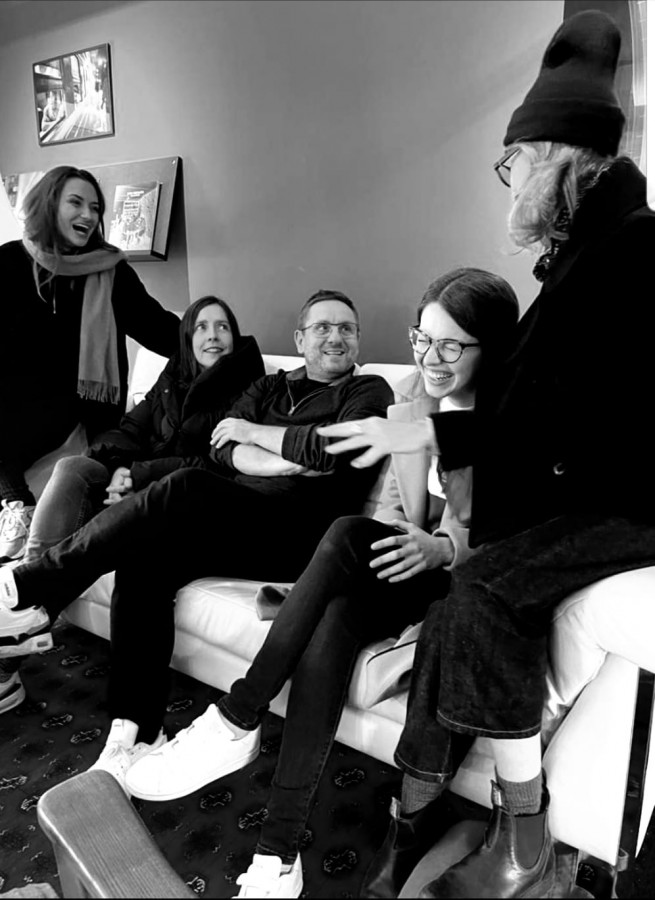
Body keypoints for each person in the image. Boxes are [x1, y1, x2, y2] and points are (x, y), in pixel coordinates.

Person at [318, 12, 655, 899]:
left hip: (633, 503)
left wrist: (429, 431)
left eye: (515, 163)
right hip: (593, 494)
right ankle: (416, 824)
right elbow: (530, 406)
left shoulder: (633, 249)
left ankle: (523, 841)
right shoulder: (583, 253)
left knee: (479, 589)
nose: (510, 183)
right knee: (455, 615)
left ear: (555, 157)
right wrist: (439, 426)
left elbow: (583, 417)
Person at [118, 267, 520, 899]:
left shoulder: (511, 417)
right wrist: (404, 534)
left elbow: (514, 532)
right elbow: (397, 508)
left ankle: (238, 716)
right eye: (422, 339)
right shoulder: (410, 398)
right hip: (400, 564)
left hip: (457, 579)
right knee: (333, 617)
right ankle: (278, 854)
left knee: (343, 532)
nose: (431, 358)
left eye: (450, 345)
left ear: (490, 348)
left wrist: (442, 546)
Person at [0, 289, 392, 782]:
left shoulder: (369, 390)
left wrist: (257, 435)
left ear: (357, 339)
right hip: (244, 517)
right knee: (145, 557)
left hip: (307, 536)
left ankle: (30, 587)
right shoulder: (270, 387)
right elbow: (223, 447)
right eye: (323, 328)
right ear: (300, 339)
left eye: (346, 328)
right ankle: (136, 731)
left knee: (186, 483)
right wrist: (287, 459)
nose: (336, 337)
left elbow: (330, 452)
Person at [0, 294, 264, 715]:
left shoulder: (252, 388)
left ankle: (18, 616)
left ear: (235, 337)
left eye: (222, 327)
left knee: (133, 524)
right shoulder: (172, 378)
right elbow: (128, 429)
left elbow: (215, 463)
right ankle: (23, 596)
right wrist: (119, 469)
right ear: (187, 337)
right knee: (73, 467)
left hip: (187, 499)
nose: (212, 335)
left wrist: (139, 475)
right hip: (138, 483)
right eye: (201, 327)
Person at [0, 166, 180, 562]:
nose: (88, 215)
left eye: (95, 207)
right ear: (49, 205)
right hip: (17, 420)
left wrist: (213, 341)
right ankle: (16, 505)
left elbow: (160, 330)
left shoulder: (111, 272)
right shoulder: (8, 264)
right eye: (76, 203)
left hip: (86, 417)